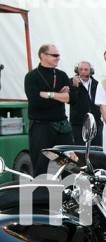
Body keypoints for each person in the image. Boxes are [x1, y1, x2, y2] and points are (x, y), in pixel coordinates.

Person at [23, 43, 73, 176]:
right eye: (55, 55)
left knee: (69, 163)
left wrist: (48, 94)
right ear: (43, 56)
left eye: (59, 55)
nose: (58, 58)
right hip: (41, 127)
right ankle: (41, 193)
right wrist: (59, 95)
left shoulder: (62, 75)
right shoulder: (31, 77)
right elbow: (36, 101)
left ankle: (69, 192)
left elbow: (71, 99)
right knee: (40, 164)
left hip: (62, 126)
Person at [69, 61, 102, 146]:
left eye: (86, 69)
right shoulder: (71, 82)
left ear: (90, 71)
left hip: (95, 122)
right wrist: (74, 87)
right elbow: (71, 100)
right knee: (80, 149)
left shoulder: (96, 84)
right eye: (80, 69)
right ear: (77, 70)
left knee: (96, 149)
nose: (83, 72)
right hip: (78, 123)